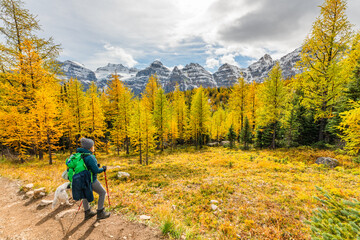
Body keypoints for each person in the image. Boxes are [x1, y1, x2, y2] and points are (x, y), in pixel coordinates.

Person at [77, 137, 110, 220]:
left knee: (85, 195)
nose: (94, 147)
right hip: (91, 180)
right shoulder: (90, 157)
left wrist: (95, 166)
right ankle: (100, 212)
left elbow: (86, 166)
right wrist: (103, 169)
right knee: (102, 192)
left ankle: (87, 213)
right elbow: (95, 171)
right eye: (93, 146)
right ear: (90, 147)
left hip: (82, 179)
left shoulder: (79, 155)